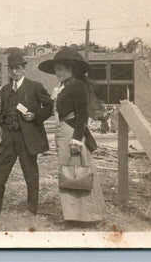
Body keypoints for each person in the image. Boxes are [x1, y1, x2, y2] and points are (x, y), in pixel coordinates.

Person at [0, 51, 53, 216]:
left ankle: (31, 208)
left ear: (23, 69)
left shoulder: (35, 87)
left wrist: (35, 116)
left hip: (27, 138)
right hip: (9, 138)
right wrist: (4, 131)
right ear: (8, 70)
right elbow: (3, 113)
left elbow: (50, 106)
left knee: (30, 172)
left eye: (17, 68)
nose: (14, 72)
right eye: (11, 69)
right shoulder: (5, 90)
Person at [38, 47, 105, 223]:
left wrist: (76, 139)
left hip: (72, 133)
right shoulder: (62, 88)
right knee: (68, 174)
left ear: (71, 68)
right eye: (56, 69)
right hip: (62, 133)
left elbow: (82, 115)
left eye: (61, 69)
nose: (57, 72)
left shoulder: (78, 86)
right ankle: (73, 215)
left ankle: (88, 215)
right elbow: (50, 111)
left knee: (77, 173)